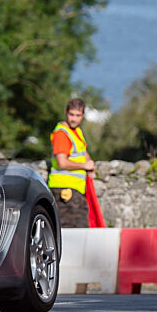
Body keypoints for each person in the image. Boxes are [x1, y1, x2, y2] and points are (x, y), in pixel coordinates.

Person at [47, 98, 95, 228]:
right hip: (64, 190)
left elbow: (82, 152)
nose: (74, 119)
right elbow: (62, 163)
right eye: (71, 114)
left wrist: (90, 163)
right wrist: (85, 166)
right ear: (66, 113)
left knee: (81, 231)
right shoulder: (62, 134)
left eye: (78, 115)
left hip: (75, 191)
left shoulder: (76, 132)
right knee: (69, 232)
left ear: (83, 116)